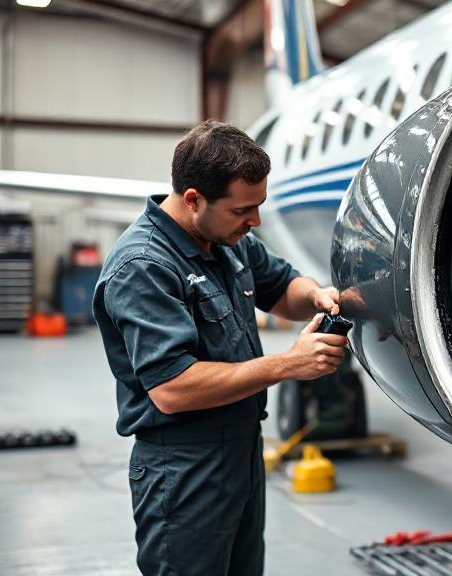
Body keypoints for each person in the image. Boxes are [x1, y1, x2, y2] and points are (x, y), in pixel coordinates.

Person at [92, 120, 347, 576]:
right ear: (194, 199)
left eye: (259, 206)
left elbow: (283, 286)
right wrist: (289, 363)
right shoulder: (144, 266)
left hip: (241, 452)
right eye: (243, 210)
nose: (255, 222)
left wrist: (314, 295)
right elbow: (173, 388)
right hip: (185, 466)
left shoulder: (227, 242)